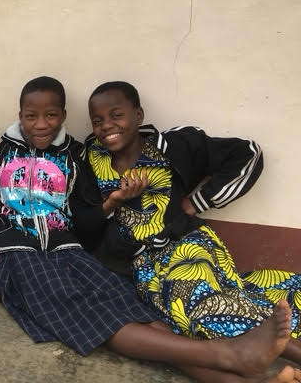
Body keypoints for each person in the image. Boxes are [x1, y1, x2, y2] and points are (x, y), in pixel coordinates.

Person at [0, 75, 301, 383]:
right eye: (31, 116)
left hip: (70, 249)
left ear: (63, 116)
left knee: (137, 313)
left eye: (50, 115)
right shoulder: (14, 150)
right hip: (20, 250)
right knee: (99, 315)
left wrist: (145, 205)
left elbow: (83, 220)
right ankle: (231, 358)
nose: (40, 124)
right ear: (19, 115)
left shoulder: (77, 155)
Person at [83, 81, 301, 363]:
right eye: (97, 121)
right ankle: (274, 337)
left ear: (138, 115)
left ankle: (287, 346)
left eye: (116, 115)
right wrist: (115, 201)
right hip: (143, 267)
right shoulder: (92, 159)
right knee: (193, 307)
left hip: (188, 244)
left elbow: (248, 154)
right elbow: (86, 219)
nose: (107, 126)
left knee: (203, 296)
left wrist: (198, 201)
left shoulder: (174, 146)